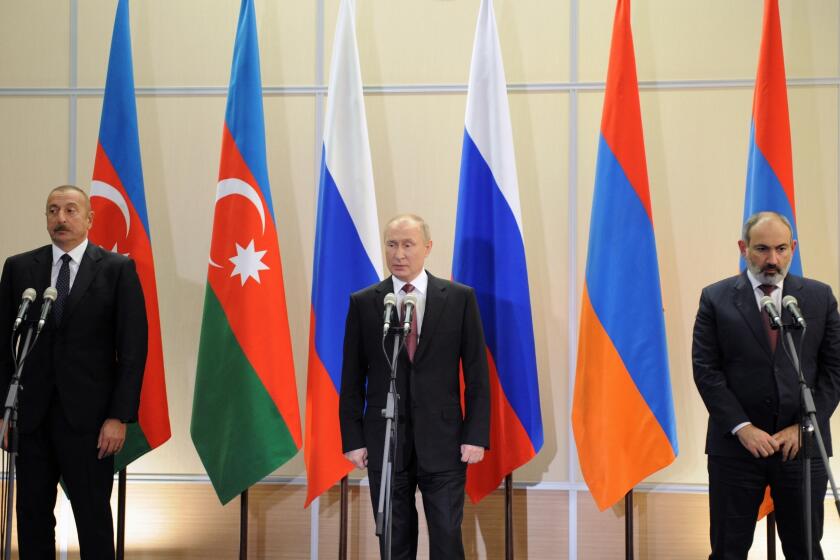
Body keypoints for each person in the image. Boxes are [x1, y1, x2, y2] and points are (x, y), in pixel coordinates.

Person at [0, 185, 147, 559]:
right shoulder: (19, 268)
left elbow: (132, 350)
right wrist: (4, 413)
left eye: (70, 210)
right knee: (31, 518)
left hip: (91, 422)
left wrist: (119, 416)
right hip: (30, 420)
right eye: (53, 210)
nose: (60, 218)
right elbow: (5, 346)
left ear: (89, 219)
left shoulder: (117, 270)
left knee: (93, 519)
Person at [339, 214, 490, 559]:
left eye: (408, 245)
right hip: (386, 443)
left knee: (447, 540)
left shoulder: (458, 298)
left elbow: (477, 375)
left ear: (427, 248)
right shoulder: (365, 302)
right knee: (394, 542)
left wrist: (476, 434)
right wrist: (354, 439)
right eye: (392, 244)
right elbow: (351, 379)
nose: (399, 254)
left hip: (445, 443)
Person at [692, 211, 840, 559]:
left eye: (781, 249)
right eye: (761, 249)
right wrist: (743, 428)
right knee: (728, 549)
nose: (772, 260)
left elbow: (834, 372)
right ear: (743, 248)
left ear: (793, 248)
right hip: (736, 449)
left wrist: (803, 428)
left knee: (805, 549)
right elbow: (706, 371)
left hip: (801, 450)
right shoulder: (716, 298)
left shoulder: (819, 297)